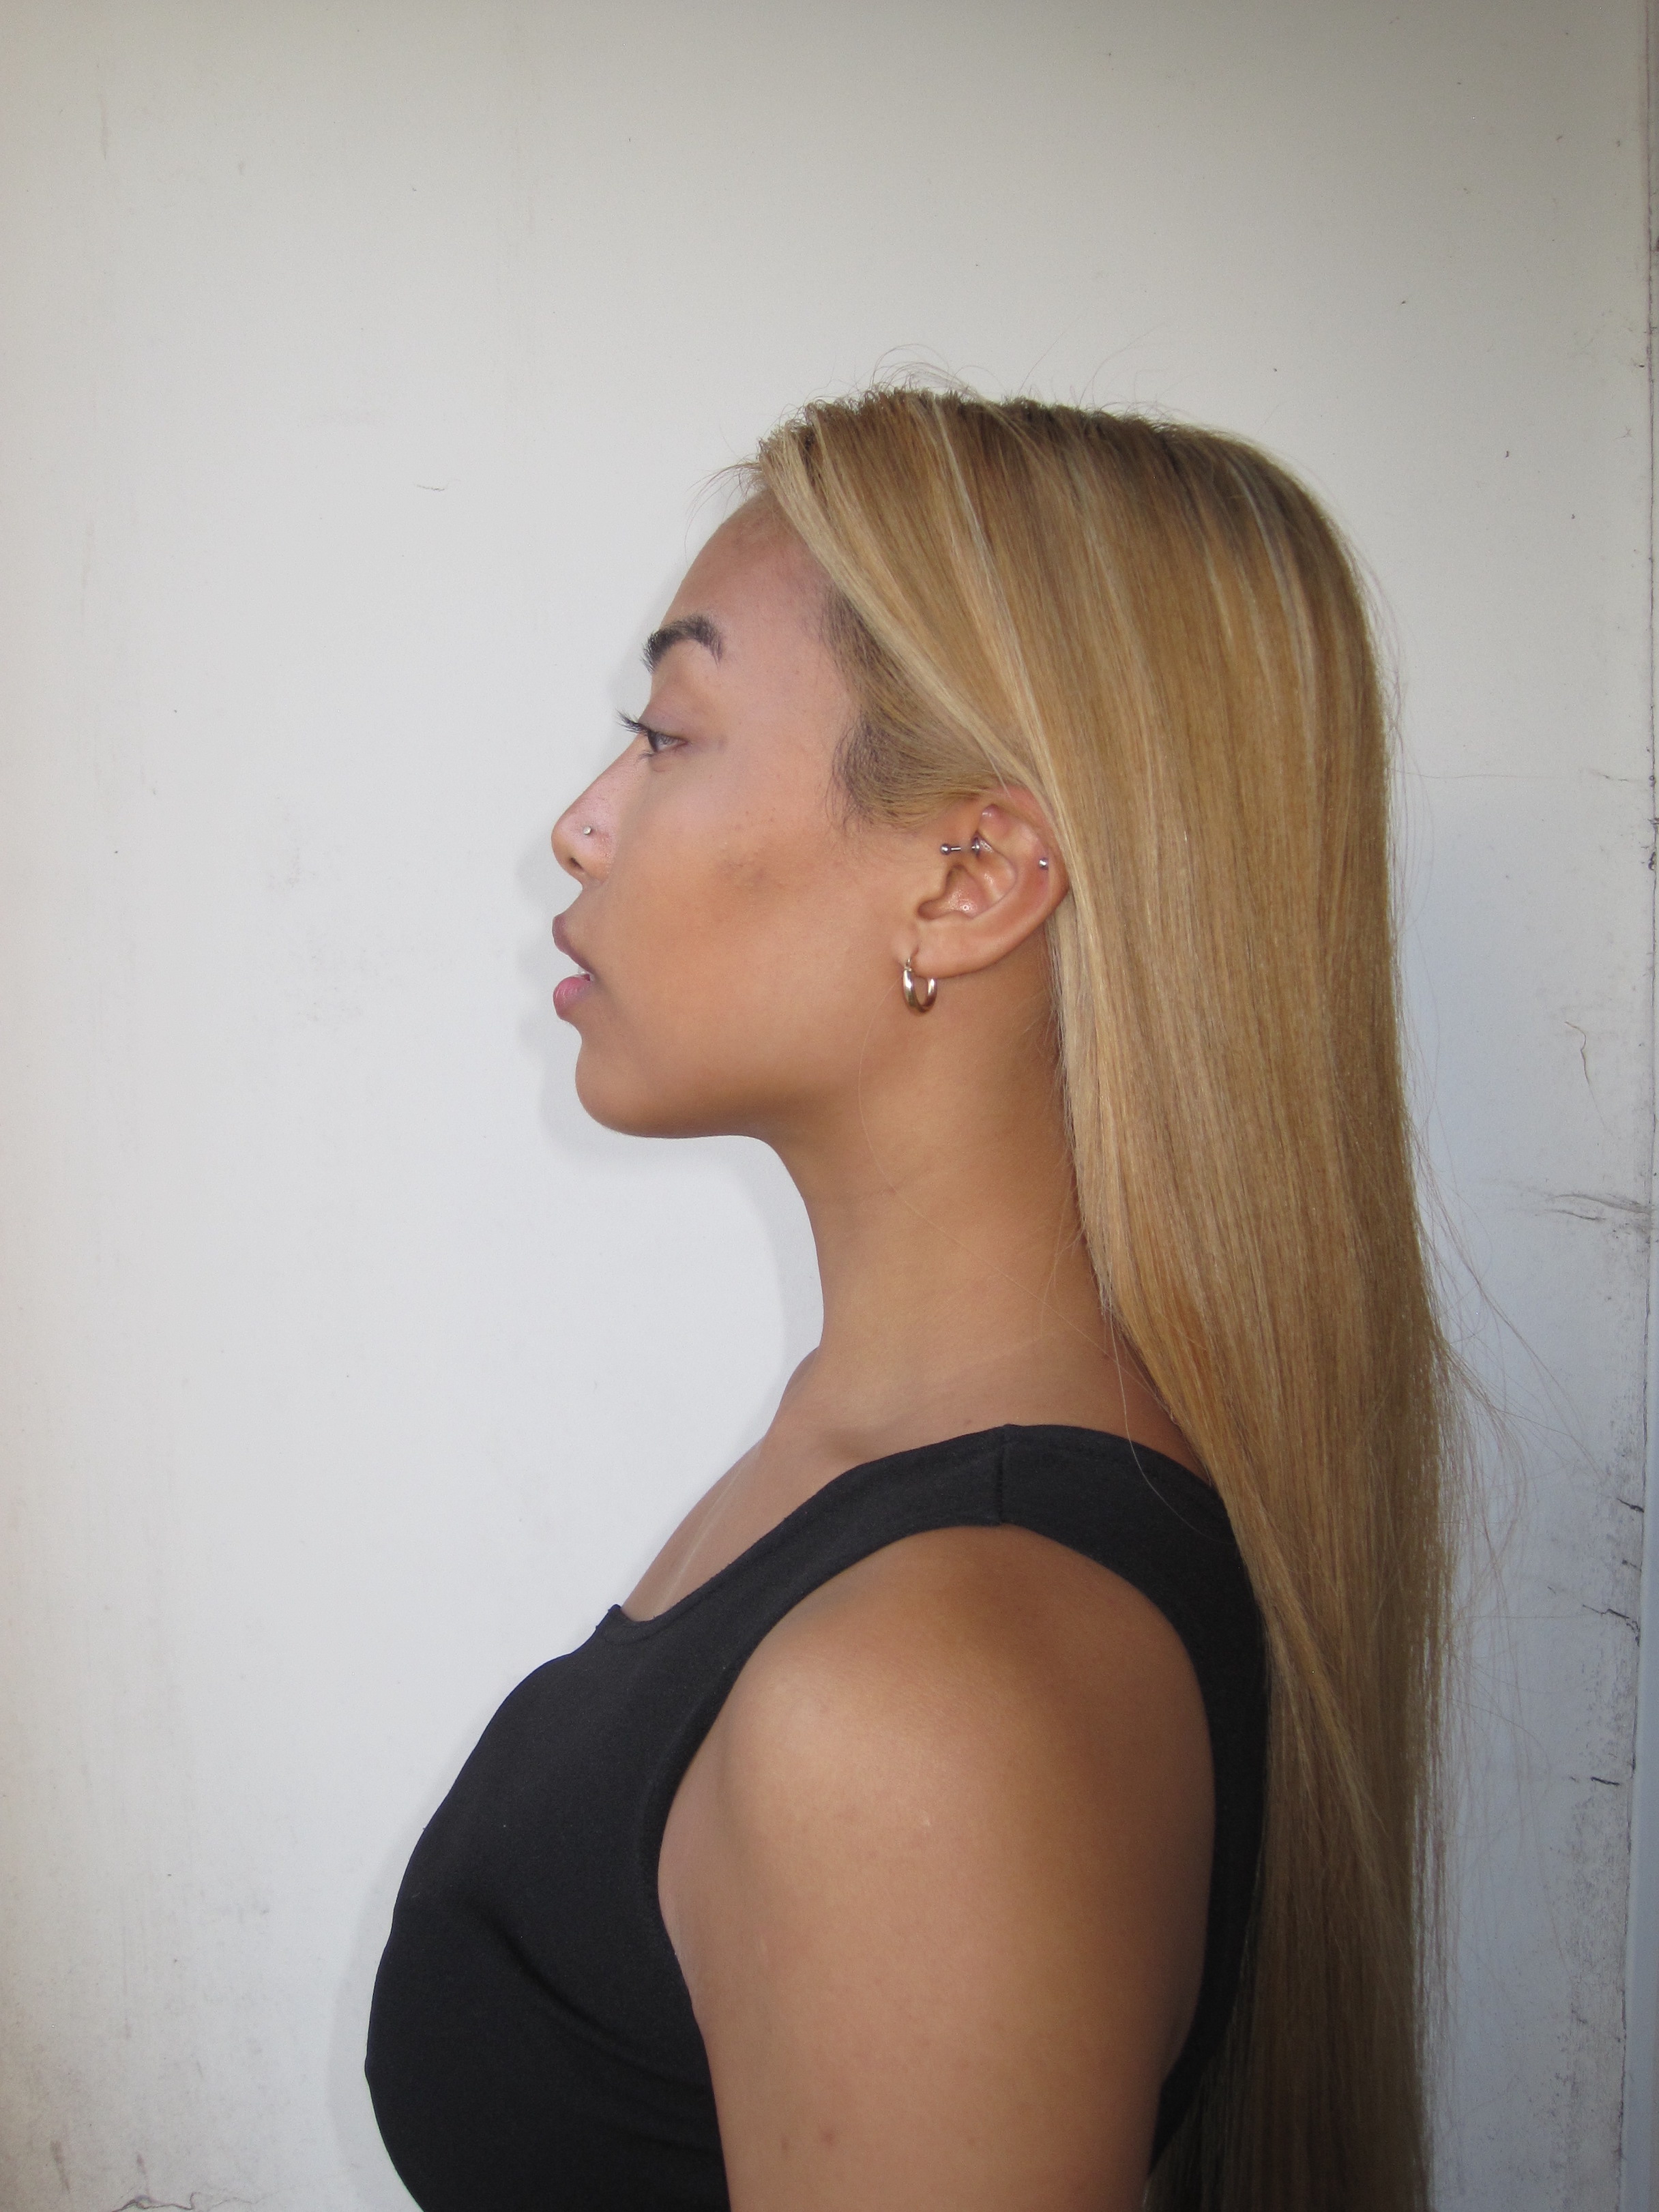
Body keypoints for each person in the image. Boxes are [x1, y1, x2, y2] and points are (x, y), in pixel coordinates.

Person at [365, 387, 1454, 2211]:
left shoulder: (926, 1692)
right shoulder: (872, 1466)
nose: (583, 823)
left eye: (668, 734)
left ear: (972, 878)